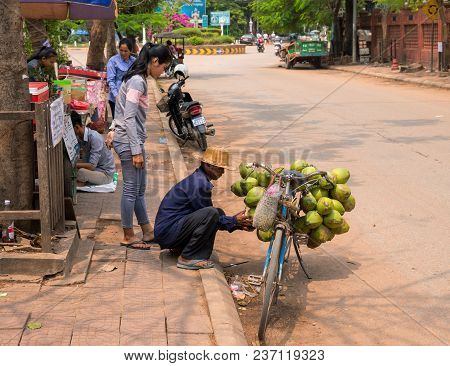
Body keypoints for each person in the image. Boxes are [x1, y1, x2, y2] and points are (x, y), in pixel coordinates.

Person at [106, 43, 172, 249]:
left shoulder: (138, 79)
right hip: (128, 142)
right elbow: (129, 117)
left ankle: (147, 231)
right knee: (130, 190)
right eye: (163, 67)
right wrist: (136, 151)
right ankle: (128, 235)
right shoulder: (137, 81)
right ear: (154, 62)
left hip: (130, 139)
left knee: (139, 189)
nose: (164, 71)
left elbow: (122, 111)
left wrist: (112, 129)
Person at [154, 147, 254, 270]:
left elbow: (213, 217)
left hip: (171, 230)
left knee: (217, 212)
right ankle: (187, 257)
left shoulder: (199, 179)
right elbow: (209, 216)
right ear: (208, 165)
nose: (222, 172)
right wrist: (233, 221)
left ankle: (183, 248)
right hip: (168, 233)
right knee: (213, 213)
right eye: (220, 168)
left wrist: (236, 224)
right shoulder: (199, 184)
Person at [71, 111, 115, 186]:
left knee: (80, 172)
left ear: (77, 127)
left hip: (105, 175)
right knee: (77, 171)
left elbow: (92, 166)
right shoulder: (80, 137)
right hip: (96, 170)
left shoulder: (95, 138)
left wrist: (74, 165)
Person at [106, 38, 136, 119]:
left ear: (131, 50)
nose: (123, 53)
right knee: (118, 123)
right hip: (116, 97)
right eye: (121, 50)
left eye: (126, 51)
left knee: (129, 121)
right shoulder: (113, 61)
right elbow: (110, 80)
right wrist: (116, 95)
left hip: (130, 96)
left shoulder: (134, 61)